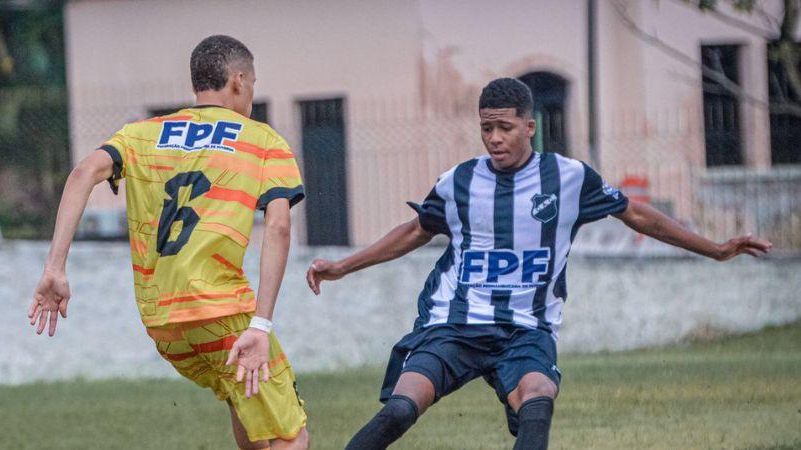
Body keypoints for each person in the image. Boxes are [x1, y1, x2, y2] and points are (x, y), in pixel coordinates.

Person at [306, 77, 772, 450]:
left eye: (504, 128)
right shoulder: (458, 181)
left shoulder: (568, 178)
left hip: (525, 329)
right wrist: (344, 267)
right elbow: (414, 231)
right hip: (454, 325)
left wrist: (714, 248)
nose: (493, 138)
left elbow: (638, 215)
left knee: (538, 400)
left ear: (529, 126)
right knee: (401, 409)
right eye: (486, 128)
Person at [29, 35, 309, 450]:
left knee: (243, 396)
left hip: (162, 323)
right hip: (221, 310)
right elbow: (280, 229)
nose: (251, 92)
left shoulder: (142, 134)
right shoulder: (263, 141)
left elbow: (82, 174)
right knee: (291, 437)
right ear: (237, 81)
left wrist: (55, 268)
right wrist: (260, 324)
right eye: (252, 83)